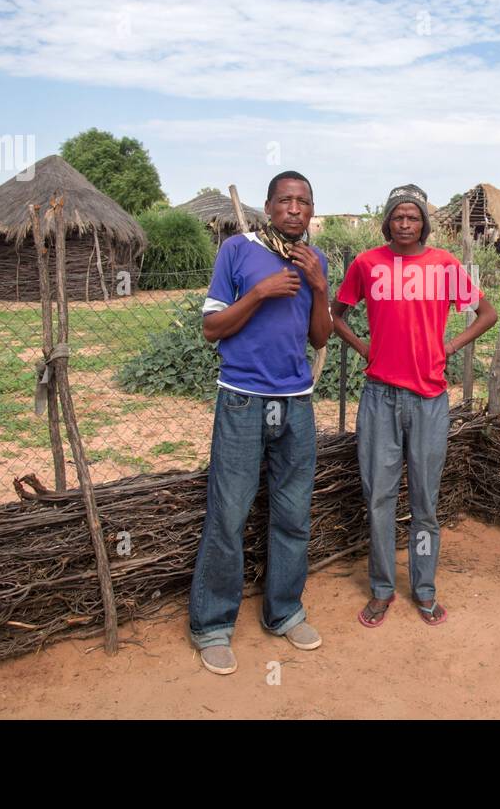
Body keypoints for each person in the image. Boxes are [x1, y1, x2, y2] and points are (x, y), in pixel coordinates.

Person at [332, 184, 498, 627]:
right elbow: (335, 315)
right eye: (398, 216)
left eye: (413, 217)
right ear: (387, 221)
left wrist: (448, 346)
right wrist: (364, 348)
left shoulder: (444, 266)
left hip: (428, 399)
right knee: (379, 499)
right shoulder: (366, 264)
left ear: (424, 222)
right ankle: (382, 590)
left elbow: (487, 313)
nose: (405, 223)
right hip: (379, 398)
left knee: (425, 503)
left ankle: (424, 590)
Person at [188, 170, 331, 675]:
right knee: (229, 512)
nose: (295, 209)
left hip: (296, 402)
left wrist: (317, 285)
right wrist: (260, 292)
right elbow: (211, 329)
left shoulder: (316, 259)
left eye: (304, 202)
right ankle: (212, 625)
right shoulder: (237, 251)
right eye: (286, 201)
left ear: (311, 211)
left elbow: (319, 338)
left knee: (293, 513)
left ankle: (284, 611)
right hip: (243, 400)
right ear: (269, 206)